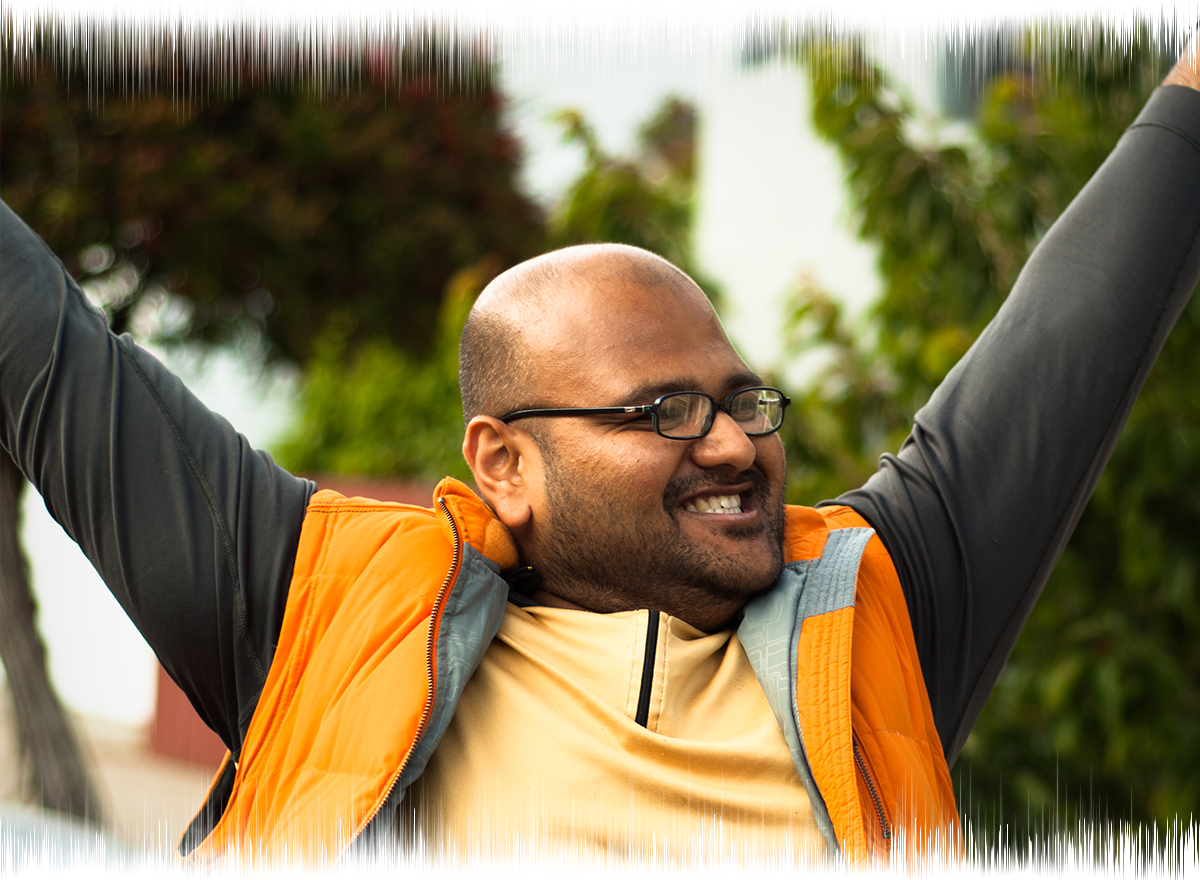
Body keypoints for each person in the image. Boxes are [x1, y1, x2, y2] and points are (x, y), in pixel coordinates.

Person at [2, 28, 1199, 880]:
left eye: (743, 400)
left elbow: (1077, 327)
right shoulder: (318, 614)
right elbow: (42, 343)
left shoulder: (877, 616)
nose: (733, 443)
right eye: (663, 410)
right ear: (505, 463)